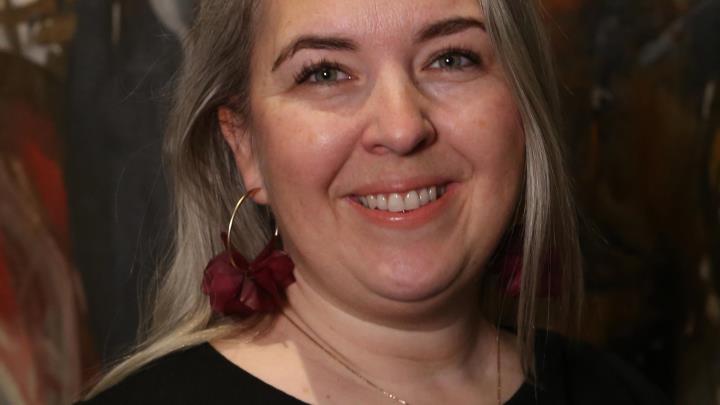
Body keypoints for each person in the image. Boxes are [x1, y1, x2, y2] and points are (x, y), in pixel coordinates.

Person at [77, 1, 669, 404]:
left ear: (524, 111)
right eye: (325, 73)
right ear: (246, 148)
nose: (402, 127)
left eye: (451, 59)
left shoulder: (615, 391)